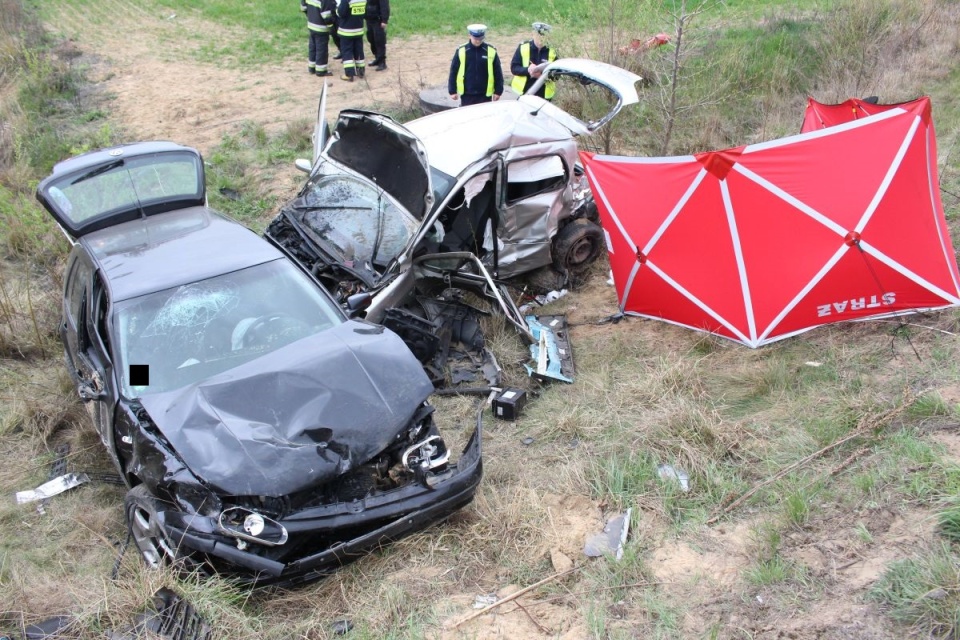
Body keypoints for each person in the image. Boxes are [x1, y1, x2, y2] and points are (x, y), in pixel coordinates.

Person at [448, 24, 503, 107]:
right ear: (470, 35)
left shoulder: (490, 51)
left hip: (485, 94)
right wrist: (452, 91)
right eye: (476, 38)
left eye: (480, 38)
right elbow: (453, 71)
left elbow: (497, 72)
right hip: (467, 94)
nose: (478, 41)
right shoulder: (462, 51)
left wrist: (498, 91)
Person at [510, 22, 557, 99]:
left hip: (544, 95)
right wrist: (528, 70)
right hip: (524, 93)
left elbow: (557, 75)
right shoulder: (523, 47)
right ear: (533, 34)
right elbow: (514, 68)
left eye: (543, 35)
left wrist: (541, 76)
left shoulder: (553, 51)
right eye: (538, 35)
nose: (540, 38)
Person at [300, 0, 337, 76]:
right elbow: (326, 15)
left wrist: (310, 16)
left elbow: (303, 7)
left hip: (311, 24)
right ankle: (321, 70)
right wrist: (331, 26)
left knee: (313, 47)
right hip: (321, 27)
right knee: (321, 49)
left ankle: (312, 67)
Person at [337, 0, 367, 81]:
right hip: (358, 30)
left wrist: (337, 10)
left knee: (347, 52)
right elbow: (365, 12)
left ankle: (349, 74)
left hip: (346, 31)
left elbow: (341, 12)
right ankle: (361, 71)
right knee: (359, 51)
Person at [365, 0, 389, 71]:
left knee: (379, 40)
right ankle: (377, 58)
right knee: (371, 39)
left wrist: (384, 20)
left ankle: (382, 62)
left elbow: (384, 6)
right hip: (369, 19)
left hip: (378, 20)